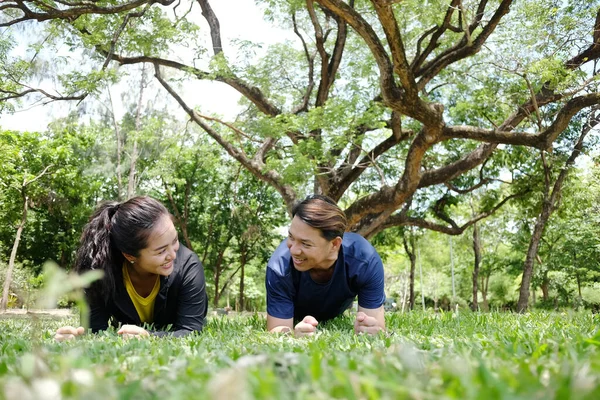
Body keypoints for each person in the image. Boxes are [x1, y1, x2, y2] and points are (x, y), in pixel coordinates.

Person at [55, 196, 208, 341]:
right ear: (130, 256)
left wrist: (150, 336)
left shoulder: (188, 266)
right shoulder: (101, 269)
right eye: (161, 251)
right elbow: (94, 330)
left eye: (175, 240)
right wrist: (77, 337)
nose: (173, 255)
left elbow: (191, 331)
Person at [266, 194, 386, 337]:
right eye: (291, 237)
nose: (293, 250)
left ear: (334, 244)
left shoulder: (364, 260)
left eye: (305, 243)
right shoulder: (279, 267)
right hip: (294, 314)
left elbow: (375, 324)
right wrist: (293, 335)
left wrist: (370, 329)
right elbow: (277, 329)